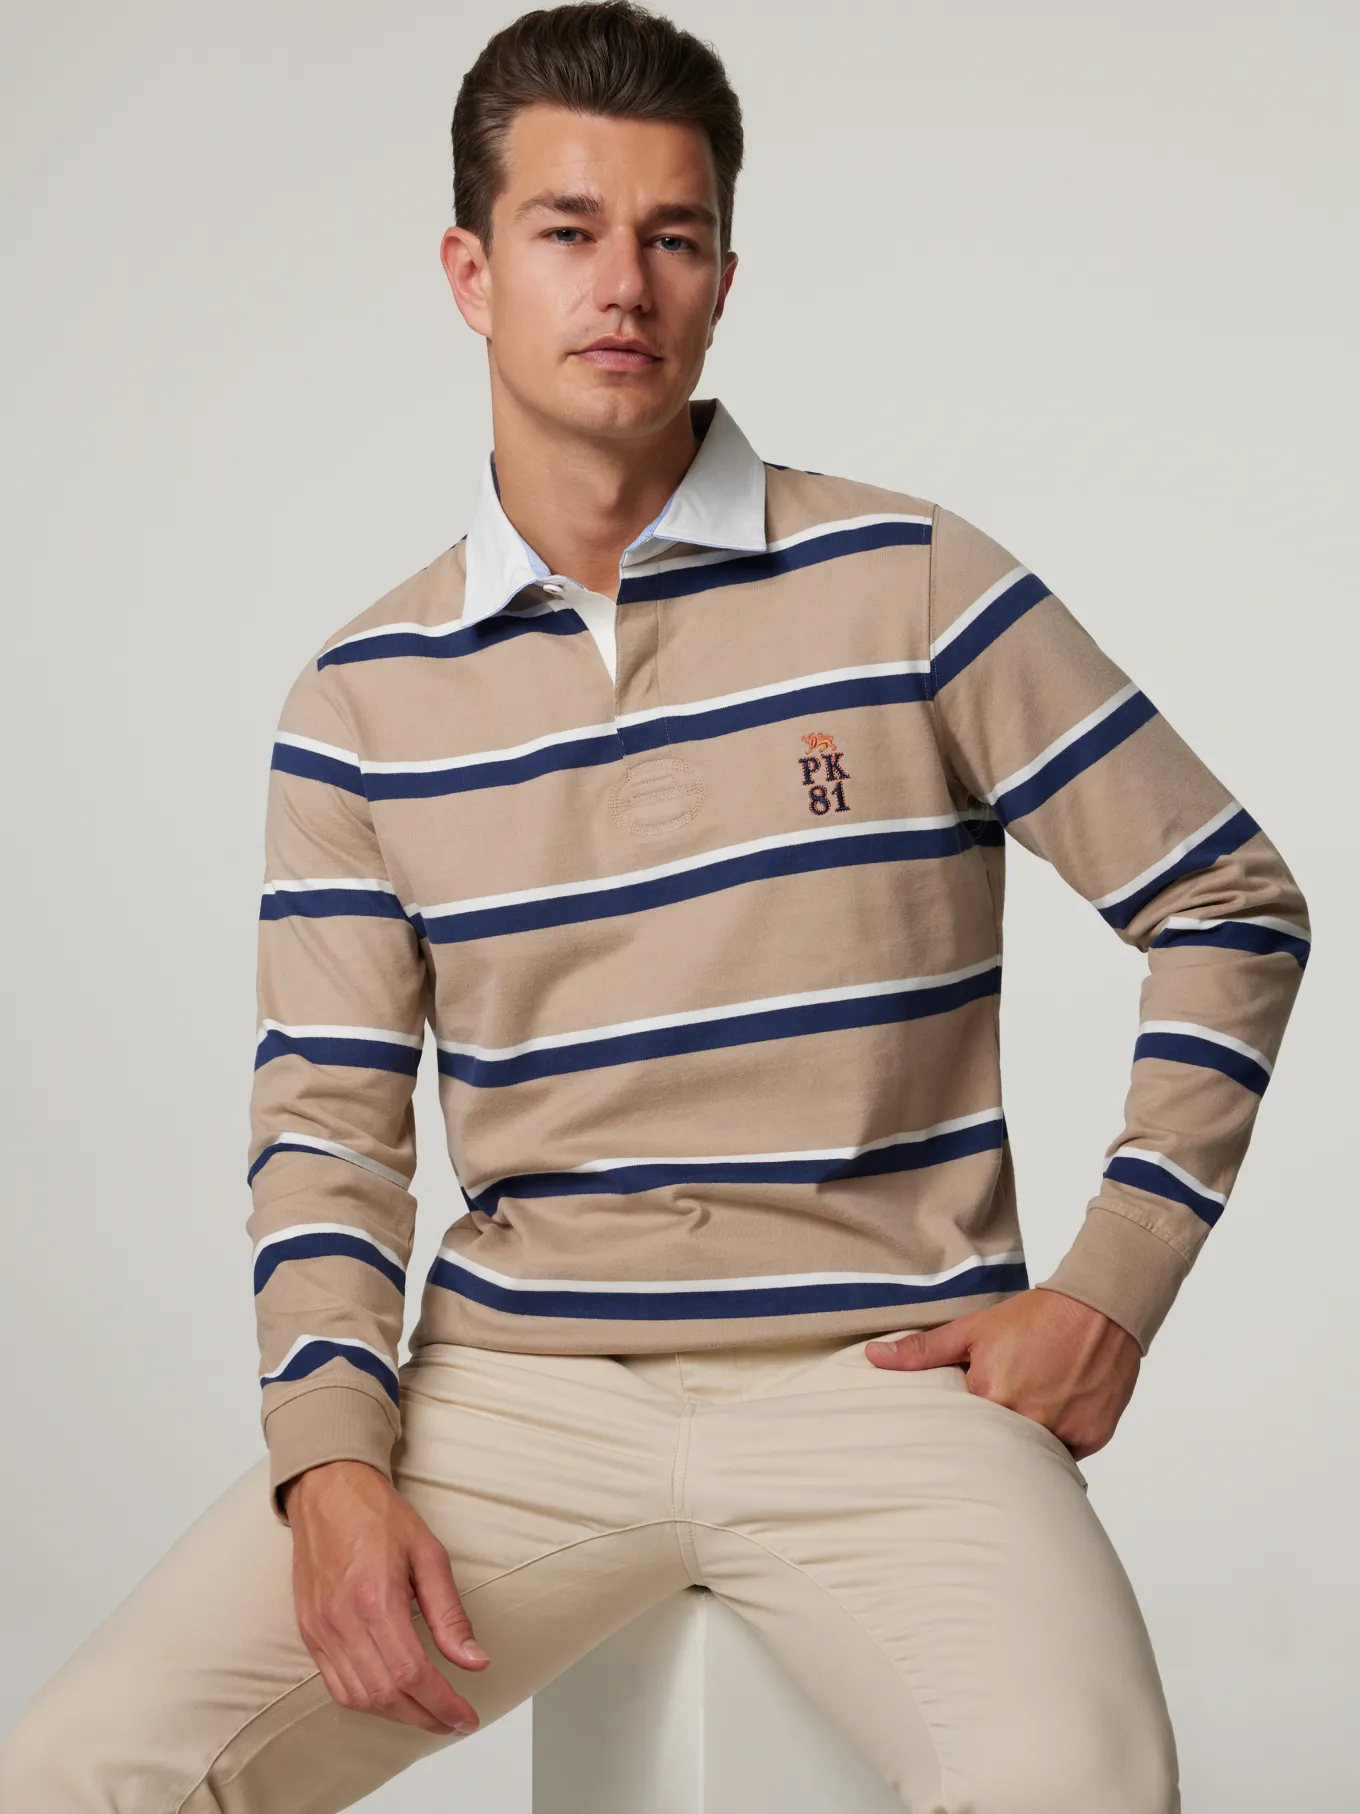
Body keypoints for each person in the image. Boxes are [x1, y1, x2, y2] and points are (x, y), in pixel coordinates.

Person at [0, 4, 1310, 1810]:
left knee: (1082, 1783)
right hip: (517, 1400)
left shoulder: (913, 581)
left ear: (722, 280)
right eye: (568, 230)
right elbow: (327, 1129)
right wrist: (330, 1458)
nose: (623, 282)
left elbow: (1228, 898)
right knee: (78, 1772)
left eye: (672, 237)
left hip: (884, 1381)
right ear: (470, 273)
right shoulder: (362, 700)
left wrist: (1113, 1288)